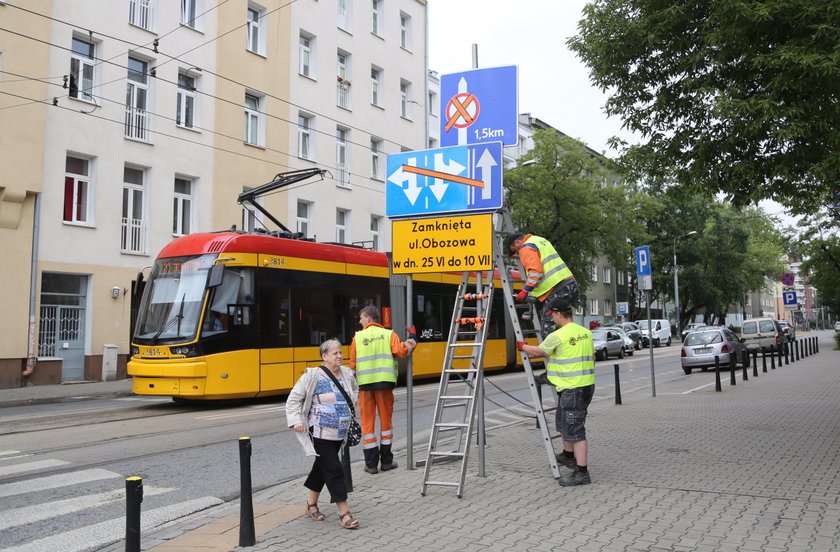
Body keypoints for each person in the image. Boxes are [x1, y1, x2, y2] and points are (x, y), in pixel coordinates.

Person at [516, 298, 595, 486]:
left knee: (575, 431)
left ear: (559, 314)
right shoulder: (585, 333)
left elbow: (539, 352)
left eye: (553, 316)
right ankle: (568, 455)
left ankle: (582, 472)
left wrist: (523, 347)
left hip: (572, 389)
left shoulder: (558, 335)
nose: (552, 319)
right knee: (563, 422)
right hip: (585, 387)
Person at [285, 339, 360, 529]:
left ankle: (310, 505)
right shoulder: (313, 376)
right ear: (324, 356)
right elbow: (293, 399)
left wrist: (352, 402)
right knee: (334, 469)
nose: (339, 356)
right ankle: (344, 513)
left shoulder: (346, 373)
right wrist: (296, 420)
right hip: (319, 432)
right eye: (335, 353)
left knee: (321, 467)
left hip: (339, 433)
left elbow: (355, 389)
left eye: (340, 353)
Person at [350, 305, 416, 474]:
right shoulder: (389, 334)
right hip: (384, 385)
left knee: (367, 425)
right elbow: (402, 351)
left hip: (365, 386)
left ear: (369, 319)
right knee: (386, 423)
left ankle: (371, 465)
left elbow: (353, 365)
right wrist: (413, 339)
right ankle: (386, 461)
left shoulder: (357, 338)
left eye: (361, 317)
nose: (360, 321)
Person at [507, 233, 579, 338]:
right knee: (564, 326)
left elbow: (536, 272)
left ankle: (555, 354)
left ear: (517, 242)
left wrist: (525, 291)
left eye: (515, 250)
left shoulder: (525, 248)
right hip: (569, 284)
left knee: (548, 333)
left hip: (557, 289)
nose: (517, 253)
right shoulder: (539, 240)